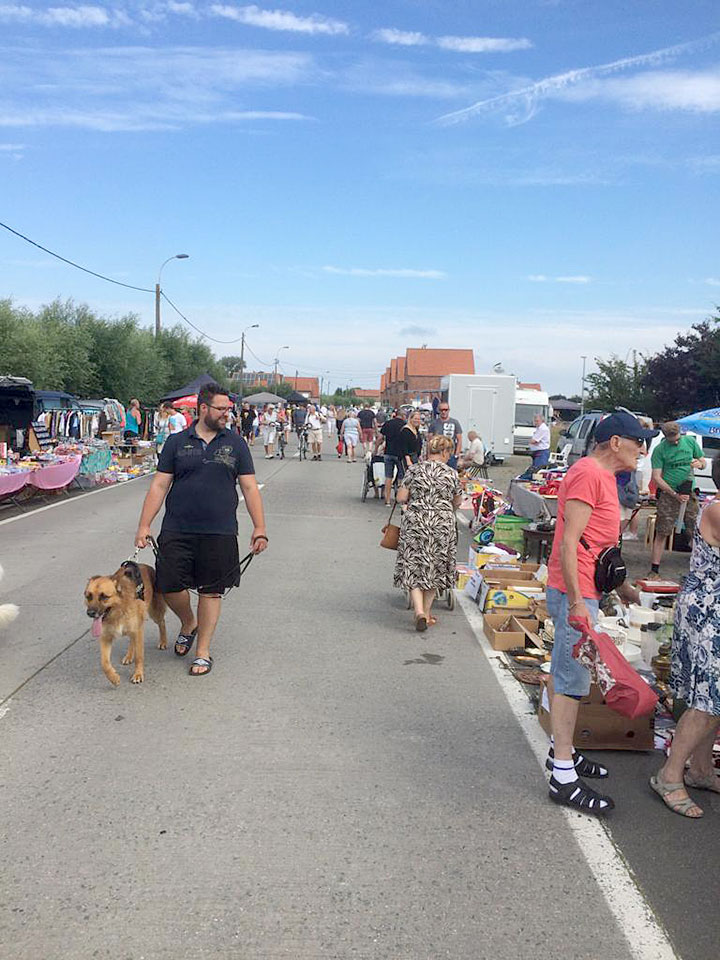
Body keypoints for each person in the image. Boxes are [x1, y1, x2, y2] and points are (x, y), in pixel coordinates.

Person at [545, 410, 657, 815]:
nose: (642, 449)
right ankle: (562, 775)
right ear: (615, 442)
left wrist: (621, 587)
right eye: (637, 442)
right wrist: (578, 601)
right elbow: (569, 543)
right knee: (570, 680)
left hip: (588, 590)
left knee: (573, 676)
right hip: (575, 592)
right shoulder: (589, 474)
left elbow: (596, 546)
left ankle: (566, 752)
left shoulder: (604, 477)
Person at [134, 382, 268, 676]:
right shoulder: (176, 442)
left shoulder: (235, 443)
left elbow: (249, 486)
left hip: (219, 531)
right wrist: (145, 525)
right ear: (203, 408)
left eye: (228, 409)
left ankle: (203, 651)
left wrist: (259, 527)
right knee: (169, 585)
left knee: (211, 591)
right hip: (176, 528)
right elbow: (159, 484)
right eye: (221, 409)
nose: (226, 414)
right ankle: (188, 622)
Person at [650, 455, 720, 818]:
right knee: (708, 701)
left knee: (714, 701)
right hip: (710, 613)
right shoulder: (716, 509)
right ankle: (669, 775)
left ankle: (701, 769)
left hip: (712, 611)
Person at [394, 434, 462, 631]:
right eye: (448, 452)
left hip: (416, 521)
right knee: (436, 568)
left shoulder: (414, 470)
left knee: (414, 566)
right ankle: (428, 612)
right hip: (442, 523)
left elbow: (401, 497)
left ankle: (419, 612)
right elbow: (457, 502)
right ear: (443, 452)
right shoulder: (451, 474)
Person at [649, 422, 705, 578]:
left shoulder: (690, 442)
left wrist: (699, 463)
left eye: (677, 439)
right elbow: (656, 477)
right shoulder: (660, 450)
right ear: (665, 437)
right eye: (672, 440)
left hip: (690, 492)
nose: (675, 442)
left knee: (695, 531)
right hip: (669, 494)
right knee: (662, 531)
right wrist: (674, 493)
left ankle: (698, 568)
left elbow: (703, 462)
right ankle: (654, 569)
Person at [378, 409, 405, 505]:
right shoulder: (405, 425)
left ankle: (387, 500)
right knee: (402, 477)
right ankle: (399, 498)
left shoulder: (388, 424)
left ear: (395, 415)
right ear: (404, 416)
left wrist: (376, 449)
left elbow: (380, 438)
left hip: (388, 452)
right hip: (400, 455)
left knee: (388, 477)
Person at [428, 402, 462, 469]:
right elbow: (429, 440)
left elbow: (459, 439)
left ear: (448, 410)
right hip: (437, 455)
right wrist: (429, 454)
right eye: (441, 410)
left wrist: (456, 454)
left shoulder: (455, 422)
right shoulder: (433, 423)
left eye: (446, 410)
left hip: (451, 455)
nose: (443, 412)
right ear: (438, 410)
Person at [399, 410, 423, 478]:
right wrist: (408, 460)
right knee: (407, 477)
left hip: (415, 456)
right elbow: (404, 446)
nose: (417, 421)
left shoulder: (416, 430)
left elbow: (418, 444)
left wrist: (420, 456)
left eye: (418, 419)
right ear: (411, 419)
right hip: (407, 457)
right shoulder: (405, 430)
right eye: (415, 418)